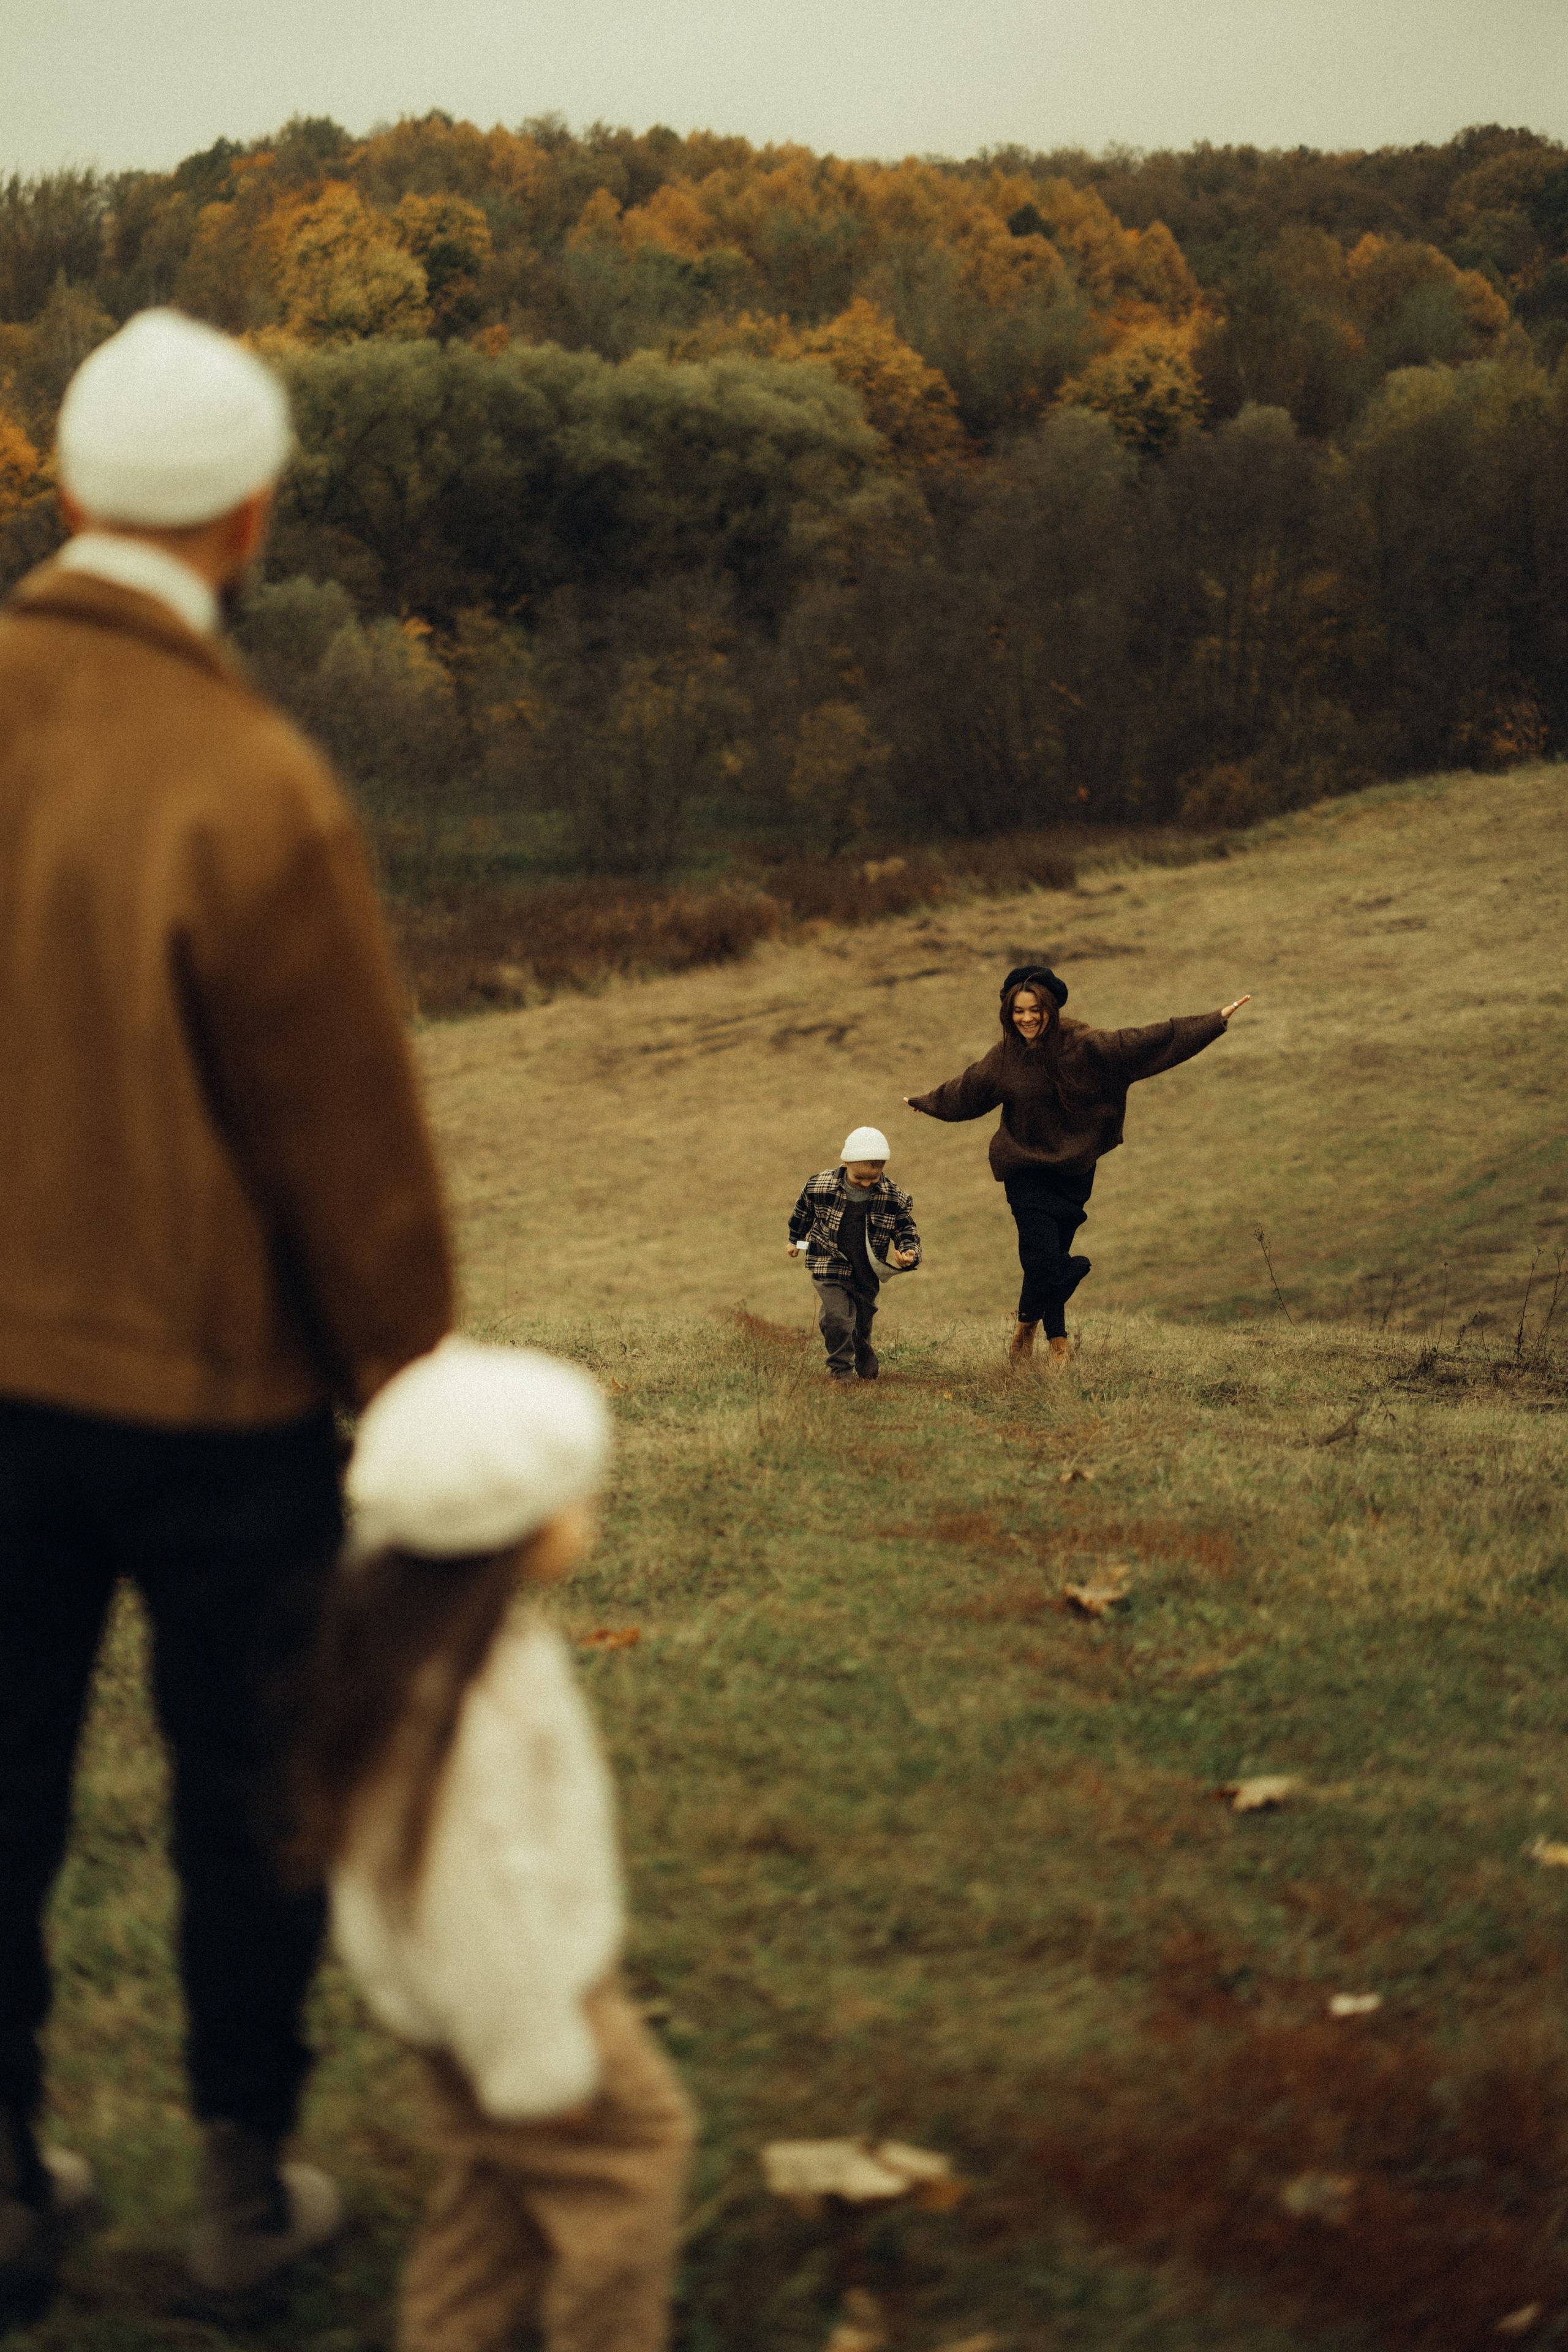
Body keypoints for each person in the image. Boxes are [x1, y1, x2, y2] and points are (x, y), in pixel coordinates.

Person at [0, 309, 453, 2322]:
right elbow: (346, 1147)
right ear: (251, 517)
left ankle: (4, 2176)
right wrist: (411, 1372)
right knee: (248, 1782)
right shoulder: (253, 781)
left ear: (67, 484)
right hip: (212, 1403)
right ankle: (244, 2187)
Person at [290, 1336, 696, 2352]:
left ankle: (448, 2331)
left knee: (494, 2186)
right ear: (508, 1531)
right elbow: (473, 1901)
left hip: (463, 2017)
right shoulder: (460, 1714)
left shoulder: (417, 1649)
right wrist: (540, 2067)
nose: (588, 1517)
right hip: (529, 2014)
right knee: (632, 2165)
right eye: (577, 1499)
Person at [905, 966, 1250, 1368]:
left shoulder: (1085, 1046)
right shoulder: (1005, 1058)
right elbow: (967, 1090)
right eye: (1018, 1012)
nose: (1027, 1019)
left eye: (1035, 1010)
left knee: (1049, 1256)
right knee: (1043, 1255)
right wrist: (926, 1102)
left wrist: (1212, 1021)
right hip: (1023, 1166)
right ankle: (1059, 1344)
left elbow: (1146, 1042)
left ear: (1050, 1008)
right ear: (1008, 1014)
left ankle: (1026, 1327)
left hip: (1073, 1169)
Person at [787, 1125, 921, 1382]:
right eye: (859, 1179)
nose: (866, 1184)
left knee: (861, 1319)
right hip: (828, 1262)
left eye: (873, 1179)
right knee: (837, 1318)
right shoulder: (820, 1186)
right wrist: (796, 1240)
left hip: (866, 1270)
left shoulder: (894, 1197)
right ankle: (841, 1370)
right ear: (845, 1162)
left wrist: (909, 1252)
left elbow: (906, 1229)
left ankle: (862, 1347)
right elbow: (803, 1212)